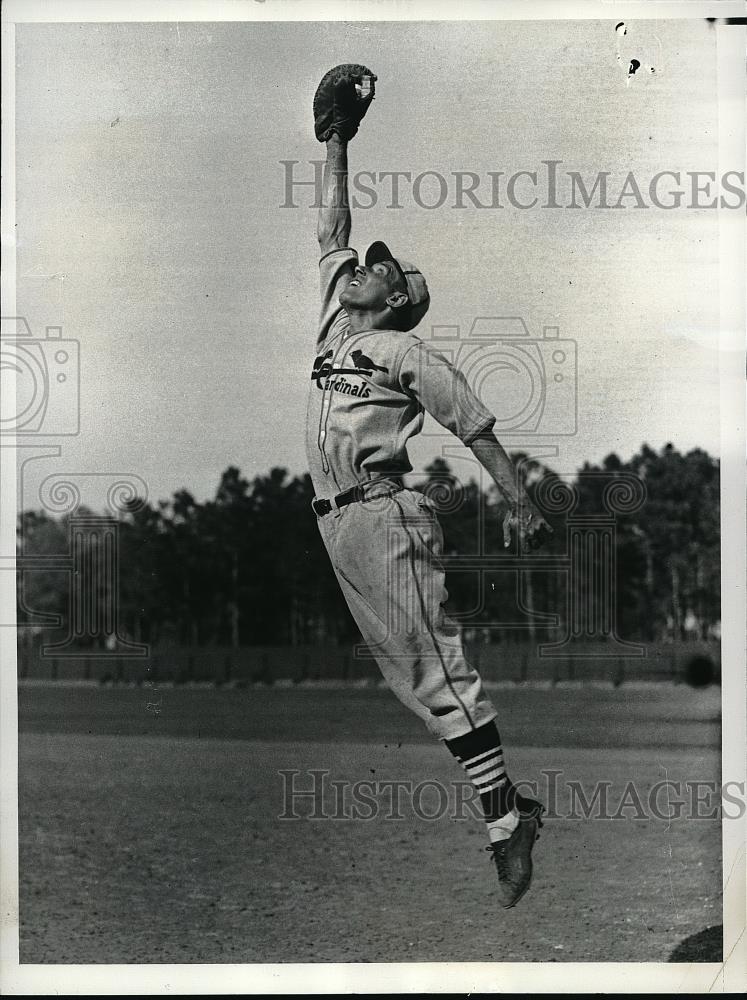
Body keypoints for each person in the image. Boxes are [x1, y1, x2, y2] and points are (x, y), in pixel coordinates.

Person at [306, 122, 553, 908]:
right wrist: (336, 141)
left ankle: (505, 824)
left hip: (383, 516)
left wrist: (516, 499)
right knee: (412, 681)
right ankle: (508, 812)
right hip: (336, 526)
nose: (361, 268)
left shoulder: (406, 353)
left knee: (438, 671)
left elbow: (470, 421)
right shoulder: (334, 328)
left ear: (399, 298)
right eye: (363, 264)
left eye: (378, 270)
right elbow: (332, 227)